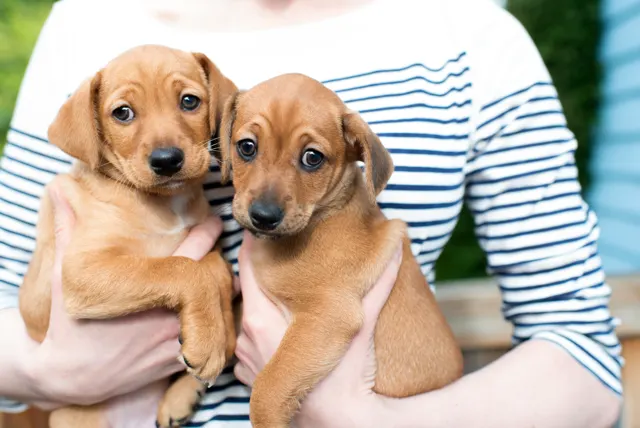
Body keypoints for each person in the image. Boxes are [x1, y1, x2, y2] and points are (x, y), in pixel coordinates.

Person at [0, 0, 623, 426]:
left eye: (190, 105)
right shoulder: (86, 22)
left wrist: (367, 420)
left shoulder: (473, 34)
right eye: (241, 148)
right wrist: (56, 373)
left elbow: (583, 354)